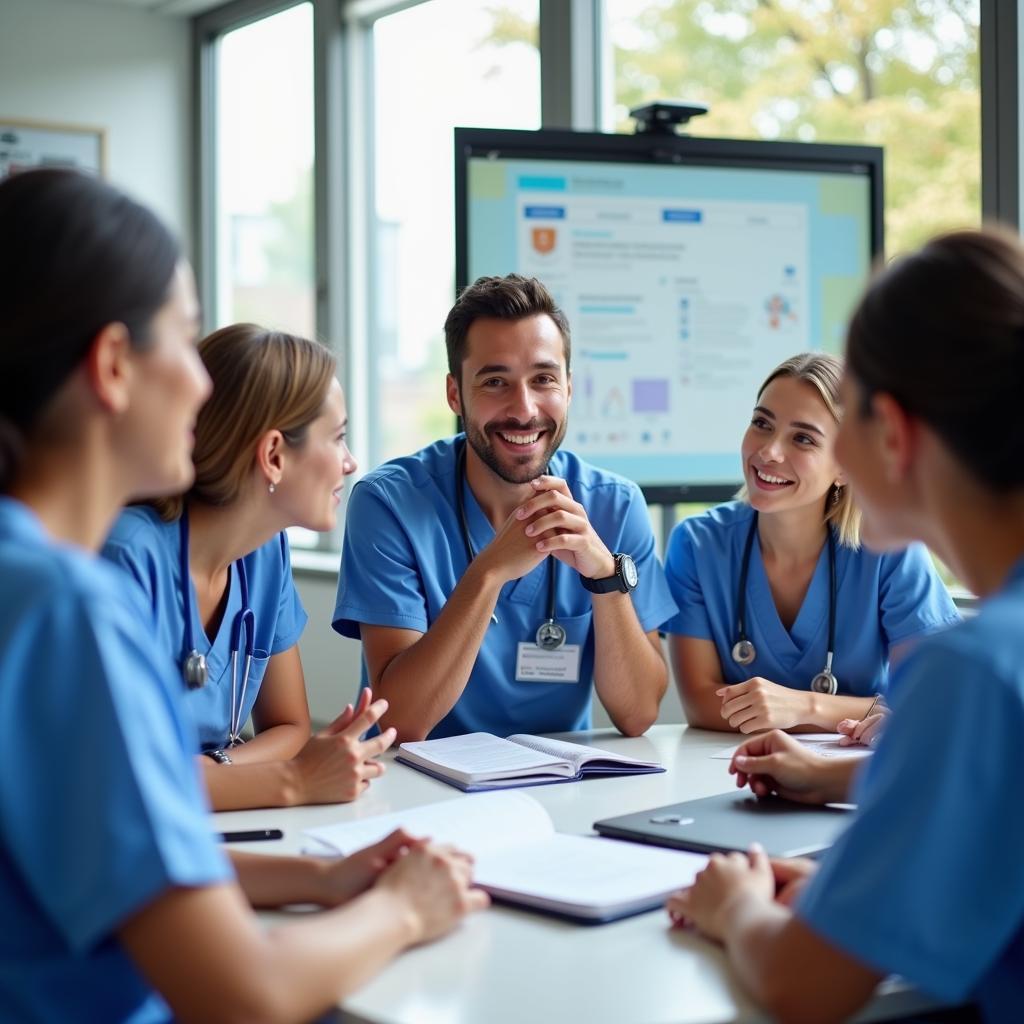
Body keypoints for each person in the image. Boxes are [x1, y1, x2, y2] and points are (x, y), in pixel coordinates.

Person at [0, 168, 486, 1024]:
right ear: (113, 365)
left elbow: (130, 861)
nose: (201, 383)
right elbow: (242, 995)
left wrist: (324, 875)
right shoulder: (67, 609)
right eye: (184, 344)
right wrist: (405, 906)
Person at [667, 228, 1024, 1022]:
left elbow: (805, 987)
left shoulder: (975, 668)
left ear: (890, 432)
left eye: (836, 421)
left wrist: (735, 905)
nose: (776, 451)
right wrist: (837, 792)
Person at [333, 274, 678, 741]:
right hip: (419, 788)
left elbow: (637, 715)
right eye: (496, 381)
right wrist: (490, 571)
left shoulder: (615, 505)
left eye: (544, 380)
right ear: (455, 394)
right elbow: (401, 722)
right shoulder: (388, 503)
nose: (524, 409)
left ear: (569, 389)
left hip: (560, 788)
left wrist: (603, 577)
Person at [103, 323, 391, 811]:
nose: (350, 462)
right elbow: (120, 783)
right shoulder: (125, 558)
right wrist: (293, 780)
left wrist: (216, 773)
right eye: (337, 439)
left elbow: (291, 727)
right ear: (274, 455)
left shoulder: (265, 552)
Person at [663, 352, 957, 734]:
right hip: (731, 771)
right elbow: (702, 704)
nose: (768, 451)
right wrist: (864, 712)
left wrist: (805, 706)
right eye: (761, 423)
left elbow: (927, 700)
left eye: (803, 438)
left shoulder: (890, 549)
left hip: (853, 777)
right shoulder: (697, 544)